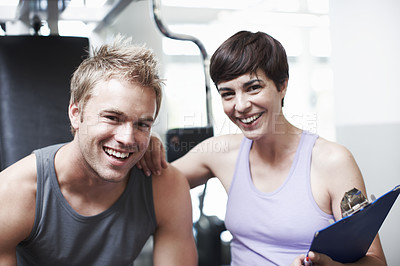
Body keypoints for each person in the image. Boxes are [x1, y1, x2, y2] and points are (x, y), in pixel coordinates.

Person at [138, 31, 387, 265]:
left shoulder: (332, 161)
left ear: (282, 86)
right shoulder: (220, 152)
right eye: (227, 94)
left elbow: (376, 261)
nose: (241, 105)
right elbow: (150, 183)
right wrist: (146, 145)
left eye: (253, 87)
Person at [0, 37, 197, 266]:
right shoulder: (13, 192)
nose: (127, 138)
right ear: (76, 113)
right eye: (112, 118)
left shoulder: (166, 186)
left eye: (142, 124)